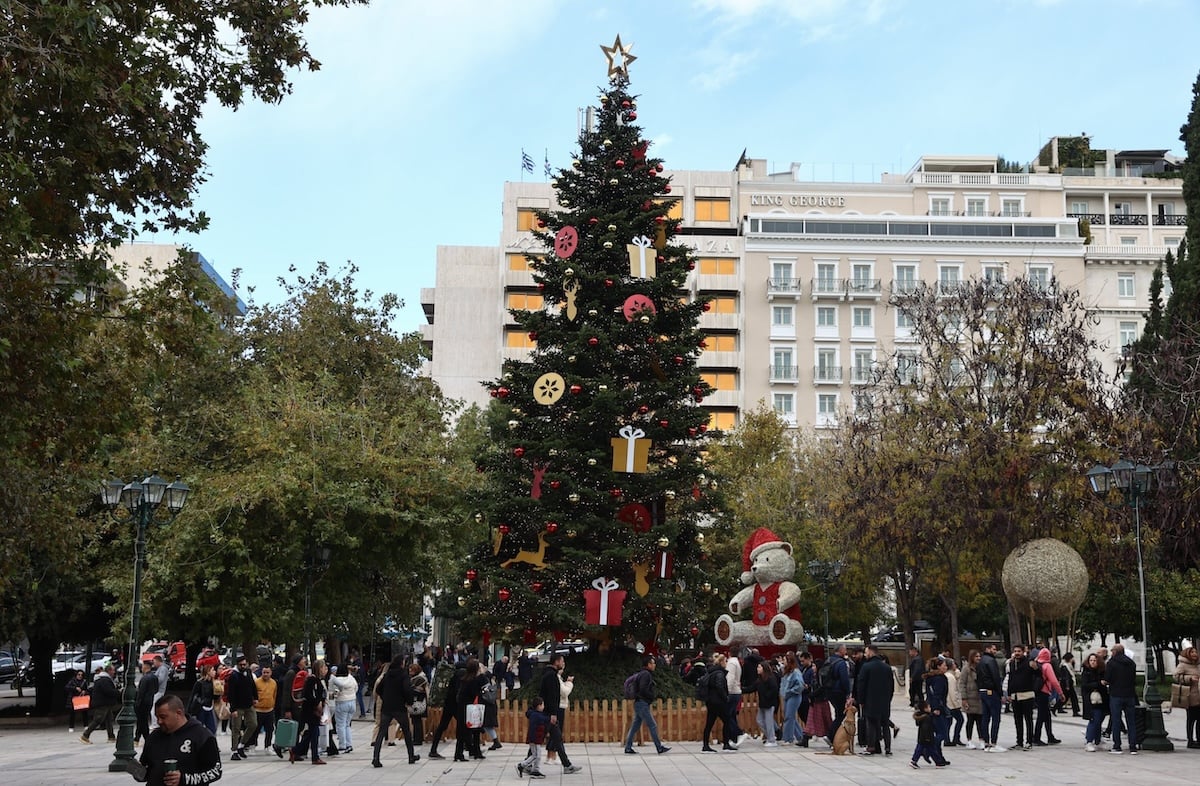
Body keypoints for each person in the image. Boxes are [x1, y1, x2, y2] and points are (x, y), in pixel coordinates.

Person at [133, 695, 222, 785]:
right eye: (157, 717)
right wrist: (135, 770)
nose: (159, 721)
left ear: (178, 713)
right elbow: (146, 772)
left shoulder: (202, 736)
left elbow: (216, 771)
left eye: (163, 717)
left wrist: (184, 779)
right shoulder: (153, 737)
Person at [371, 655, 419, 767]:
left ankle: (375, 758)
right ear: (401, 663)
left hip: (387, 707)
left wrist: (385, 697)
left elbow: (378, 689)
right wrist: (409, 701)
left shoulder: (387, 674)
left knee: (382, 732)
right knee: (406, 731)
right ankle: (411, 756)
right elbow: (407, 690)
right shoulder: (403, 675)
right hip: (399, 707)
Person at [623, 655, 670, 755]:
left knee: (635, 726)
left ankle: (628, 747)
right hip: (642, 703)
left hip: (639, 702)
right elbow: (643, 689)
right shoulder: (646, 675)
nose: (654, 665)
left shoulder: (642, 673)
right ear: (648, 664)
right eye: (653, 663)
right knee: (652, 725)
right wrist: (651, 696)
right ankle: (659, 747)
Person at [856, 644, 894, 756]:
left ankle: (871, 746)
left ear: (871, 653)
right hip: (884, 701)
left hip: (870, 700)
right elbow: (891, 686)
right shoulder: (887, 667)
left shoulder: (866, 667)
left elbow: (861, 685)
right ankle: (887, 747)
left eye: (866, 652)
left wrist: (861, 700)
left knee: (871, 724)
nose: (865, 654)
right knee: (885, 724)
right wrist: (889, 699)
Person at [1104, 643, 1138, 754]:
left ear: (1115, 652)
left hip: (1116, 695)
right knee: (1131, 721)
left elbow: (1108, 678)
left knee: (1116, 720)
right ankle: (1133, 746)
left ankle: (1117, 746)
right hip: (1129, 695)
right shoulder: (1131, 663)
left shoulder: (1111, 663)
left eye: (1112, 650)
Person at [294, 659, 328, 765]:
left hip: (314, 710)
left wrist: (322, 701)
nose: (324, 670)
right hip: (311, 711)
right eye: (323, 667)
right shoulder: (312, 680)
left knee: (311, 734)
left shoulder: (318, 680)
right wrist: (317, 703)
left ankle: (296, 750)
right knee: (314, 733)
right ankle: (314, 756)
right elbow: (309, 695)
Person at [428, 661, 463, 760]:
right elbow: (457, 691)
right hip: (455, 705)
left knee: (442, 726)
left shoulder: (451, 675)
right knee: (463, 725)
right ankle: (467, 748)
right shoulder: (459, 675)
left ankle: (433, 749)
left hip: (448, 704)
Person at [225, 654, 258, 760]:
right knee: (236, 728)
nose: (243, 666)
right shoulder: (234, 676)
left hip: (248, 703)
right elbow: (231, 693)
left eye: (245, 664)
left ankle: (242, 745)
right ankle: (234, 750)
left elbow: (252, 685)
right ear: (237, 665)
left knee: (253, 724)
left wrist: (255, 697)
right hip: (238, 706)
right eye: (241, 665)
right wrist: (233, 709)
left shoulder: (248, 672)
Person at [457, 658, 488, 761]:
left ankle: (459, 753)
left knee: (462, 731)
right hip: (472, 707)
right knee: (475, 730)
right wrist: (482, 674)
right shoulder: (476, 680)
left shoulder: (464, 679)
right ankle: (475, 751)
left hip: (462, 707)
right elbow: (482, 689)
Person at [1005, 645, 1035, 750]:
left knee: (1028, 719)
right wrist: (1009, 693)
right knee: (1017, 720)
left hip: (1027, 694)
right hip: (1015, 696)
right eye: (1015, 651)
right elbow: (1010, 678)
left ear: (1023, 652)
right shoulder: (1012, 663)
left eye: (1019, 651)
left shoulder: (1029, 662)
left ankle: (1029, 741)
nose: (1017, 653)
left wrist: (1035, 667)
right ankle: (1019, 741)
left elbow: (1038, 674)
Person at [80, 664, 120, 744]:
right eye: (113, 670)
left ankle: (111, 737)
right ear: (109, 671)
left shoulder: (102, 679)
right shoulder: (105, 680)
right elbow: (108, 691)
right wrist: (117, 692)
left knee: (109, 720)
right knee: (98, 719)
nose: (114, 672)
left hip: (104, 702)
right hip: (103, 703)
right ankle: (85, 735)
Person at [976, 643, 1004, 751]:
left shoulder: (981, 661)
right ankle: (993, 742)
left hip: (983, 691)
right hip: (991, 691)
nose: (995, 651)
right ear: (988, 649)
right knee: (995, 717)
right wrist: (1000, 692)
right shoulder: (991, 661)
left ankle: (986, 741)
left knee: (985, 717)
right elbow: (996, 677)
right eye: (993, 649)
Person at [1031, 647, 1063, 745]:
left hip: (1036, 691)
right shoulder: (1047, 665)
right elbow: (1054, 681)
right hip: (1044, 692)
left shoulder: (1036, 664)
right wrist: (1060, 693)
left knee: (1046, 715)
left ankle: (1050, 736)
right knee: (1041, 715)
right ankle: (1036, 737)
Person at [1172, 645, 1200, 748]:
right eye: (1192, 652)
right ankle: (1190, 740)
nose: (1194, 654)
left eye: (1195, 652)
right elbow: (1175, 676)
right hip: (1190, 696)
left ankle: (1198, 739)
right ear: (1188, 654)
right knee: (1191, 719)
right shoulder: (1183, 665)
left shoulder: (1198, 665)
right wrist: (1189, 678)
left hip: (1199, 694)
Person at [1080, 651, 1108, 752]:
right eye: (1091, 660)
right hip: (1091, 700)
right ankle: (1089, 741)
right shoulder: (1086, 672)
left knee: (1099, 720)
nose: (1092, 662)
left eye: (1094, 660)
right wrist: (1098, 684)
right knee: (1094, 720)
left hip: (1101, 700)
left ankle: (1097, 740)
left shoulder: (1101, 671)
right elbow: (1085, 685)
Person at [825, 643, 852, 745]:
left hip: (829, 690)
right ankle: (831, 735)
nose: (846, 651)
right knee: (841, 714)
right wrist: (848, 692)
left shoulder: (829, 660)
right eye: (845, 649)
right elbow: (844, 679)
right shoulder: (841, 663)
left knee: (838, 713)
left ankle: (833, 736)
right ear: (840, 650)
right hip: (838, 691)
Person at [909, 700, 949, 769]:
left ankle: (914, 761)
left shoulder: (923, 716)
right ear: (925, 709)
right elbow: (926, 728)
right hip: (927, 737)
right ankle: (938, 762)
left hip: (922, 737)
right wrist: (928, 738)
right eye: (929, 707)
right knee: (932, 750)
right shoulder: (927, 718)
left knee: (920, 750)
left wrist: (933, 713)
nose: (930, 708)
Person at [328, 663, 357, 754]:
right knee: (347, 724)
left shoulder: (337, 680)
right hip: (352, 702)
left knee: (340, 725)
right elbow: (356, 688)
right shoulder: (351, 678)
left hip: (342, 702)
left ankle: (342, 745)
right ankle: (349, 744)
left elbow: (335, 693)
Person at [779, 652, 805, 746]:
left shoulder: (796, 672)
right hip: (787, 696)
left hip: (794, 696)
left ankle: (788, 738)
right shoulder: (786, 672)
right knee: (791, 717)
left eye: (784, 660)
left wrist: (790, 691)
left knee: (789, 717)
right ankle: (800, 736)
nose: (783, 662)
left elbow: (800, 685)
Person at [250, 664, 276, 754]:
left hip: (269, 709)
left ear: (271, 673)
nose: (265, 674)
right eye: (264, 672)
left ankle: (268, 746)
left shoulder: (273, 683)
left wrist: (273, 705)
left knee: (270, 729)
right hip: (258, 710)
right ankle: (253, 746)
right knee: (256, 729)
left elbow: (274, 695)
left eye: (267, 672)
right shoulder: (256, 682)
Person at [959, 650, 983, 749]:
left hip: (979, 697)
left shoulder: (981, 667)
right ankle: (969, 740)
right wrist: (964, 698)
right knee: (970, 720)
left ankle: (982, 739)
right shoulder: (966, 669)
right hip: (970, 697)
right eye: (976, 656)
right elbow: (962, 683)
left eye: (979, 656)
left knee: (980, 721)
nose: (978, 658)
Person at [753, 660, 779, 746]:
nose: (757, 669)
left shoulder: (770, 679)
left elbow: (774, 689)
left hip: (769, 703)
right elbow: (752, 687)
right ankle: (770, 736)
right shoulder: (760, 680)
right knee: (759, 720)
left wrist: (767, 697)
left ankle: (772, 740)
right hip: (763, 704)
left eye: (759, 667)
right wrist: (742, 689)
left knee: (769, 721)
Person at [135, 661, 160, 746]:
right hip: (150, 700)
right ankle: (137, 738)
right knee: (143, 721)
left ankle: (145, 738)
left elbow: (141, 692)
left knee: (142, 721)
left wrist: (137, 702)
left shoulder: (145, 678)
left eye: (142, 667)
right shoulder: (154, 677)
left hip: (143, 702)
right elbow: (156, 689)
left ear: (145, 667)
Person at [724, 652, 747, 745]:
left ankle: (739, 733)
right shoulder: (737, 662)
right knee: (732, 715)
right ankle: (733, 738)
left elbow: (730, 677)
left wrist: (727, 691)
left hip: (732, 692)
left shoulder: (731, 663)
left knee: (727, 716)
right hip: (736, 691)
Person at [408, 663, 429, 751]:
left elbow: (418, 690)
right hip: (418, 701)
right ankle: (417, 738)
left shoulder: (419, 679)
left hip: (418, 702)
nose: (409, 671)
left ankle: (418, 739)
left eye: (411, 670)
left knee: (417, 721)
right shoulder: (420, 677)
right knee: (416, 721)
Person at [151, 655, 170, 730]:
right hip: (158, 690)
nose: (154, 664)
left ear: (158, 661)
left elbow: (160, 679)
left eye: (154, 662)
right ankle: (155, 723)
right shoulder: (161, 668)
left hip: (159, 691)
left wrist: (153, 680)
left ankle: (155, 723)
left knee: (153, 707)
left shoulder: (162, 669)